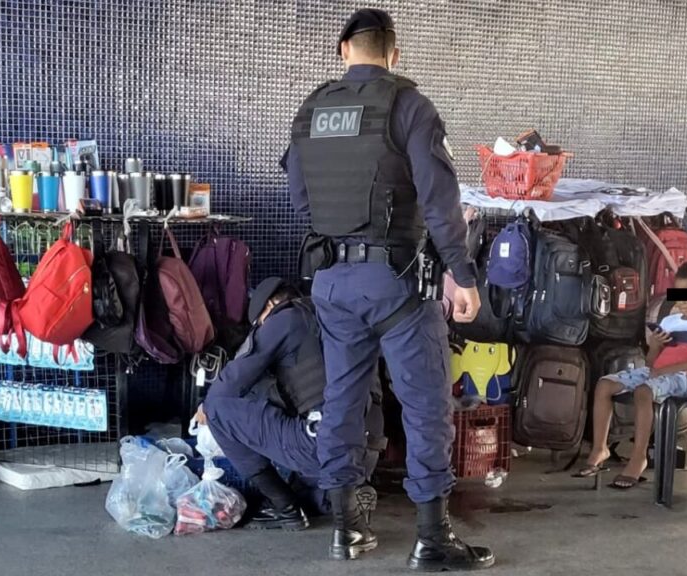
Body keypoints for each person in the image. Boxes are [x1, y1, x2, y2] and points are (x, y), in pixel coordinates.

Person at [282, 8, 492, 571]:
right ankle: (432, 538)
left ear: (342, 50)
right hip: (397, 283)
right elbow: (441, 203)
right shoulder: (410, 106)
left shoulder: (311, 109)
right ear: (394, 54)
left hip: (332, 283)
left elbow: (301, 200)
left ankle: (347, 531)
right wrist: (462, 274)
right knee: (425, 405)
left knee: (342, 402)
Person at [201, 277, 384, 531]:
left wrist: (204, 407)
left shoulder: (284, 319)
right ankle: (346, 495)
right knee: (311, 496)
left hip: (321, 444)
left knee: (216, 409)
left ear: (269, 307)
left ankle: (284, 507)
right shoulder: (340, 315)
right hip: (369, 449)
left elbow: (227, 386)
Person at [578, 261, 687, 489]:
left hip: (686, 378)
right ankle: (600, 448)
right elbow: (652, 362)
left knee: (644, 391)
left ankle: (638, 457)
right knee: (604, 385)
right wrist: (655, 346)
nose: (681, 301)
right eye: (678, 294)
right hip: (656, 372)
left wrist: (664, 371)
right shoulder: (669, 321)